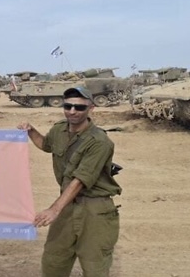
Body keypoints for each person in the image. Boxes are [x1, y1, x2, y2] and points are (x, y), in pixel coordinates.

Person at [18, 87, 122, 277]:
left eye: (79, 107)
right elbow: (46, 145)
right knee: (53, 262)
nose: (72, 111)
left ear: (91, 108)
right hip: (67, 205)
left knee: (95, 267)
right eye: (68, 106)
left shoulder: (99, 141)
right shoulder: (59, 129)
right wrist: (31, 131)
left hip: (94, 210)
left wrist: (54, 210)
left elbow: (80, 180)